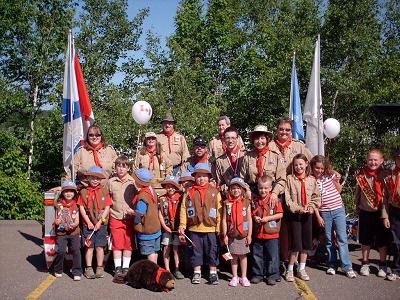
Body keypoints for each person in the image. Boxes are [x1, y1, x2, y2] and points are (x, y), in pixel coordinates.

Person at [268, 117, 313, 265]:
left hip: (294, 192)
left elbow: (312, 161)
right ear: (277, 129)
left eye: (287, 129)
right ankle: (279, 258)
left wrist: (331, 172)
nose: (284, 132)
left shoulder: (299, 146)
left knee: (293, 227)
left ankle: (290, 259)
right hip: (275, 190)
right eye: (281, 129)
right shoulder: (270, 146)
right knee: (277, 227)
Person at [310, 155, 357, 278]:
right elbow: (313, 201)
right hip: (324, 212)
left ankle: (347, 266)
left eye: (321, 168)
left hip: (338, 209)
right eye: (317, 168)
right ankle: (332, 264)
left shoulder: (330, 176)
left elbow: (339, 190)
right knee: (329, 240)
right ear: (312, 167)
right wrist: (318, 217)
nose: (319, 170)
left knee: (342, 239)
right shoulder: (311, 180)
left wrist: (336, 179)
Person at [178, 163, 223, 285]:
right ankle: (196, 272)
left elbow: (219, 210)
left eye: (204, 176)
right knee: (195, 251)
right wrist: (182, 225)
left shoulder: (215, 192)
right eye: (198, 176)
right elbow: (183, 209)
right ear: (194, 177)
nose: (201, 179)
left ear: (209, 177)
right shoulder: (189, 192)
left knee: (212, 251)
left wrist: (219, 227)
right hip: (194, 228)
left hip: (211, 228)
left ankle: (213, 272)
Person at [355, 149, 391, 278]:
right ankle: (365, 263)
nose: (373, 162)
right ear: (367, 160)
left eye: (376, 160)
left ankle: (382, 264)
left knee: (382, 240)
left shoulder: (386, 175)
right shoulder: (362, 175)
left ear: (381, 161)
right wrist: (356, 206)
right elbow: (358, 192)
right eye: (370, 159)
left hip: (382, 212)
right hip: (365, 211)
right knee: (366, 239)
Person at [284, 154, 320, 282]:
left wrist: (311, 206)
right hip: (295, 215)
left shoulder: (311, 180)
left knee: (306, 243)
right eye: (296, 165)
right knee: (296, 244)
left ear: (306, 164)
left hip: (308, 216)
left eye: (301, 164)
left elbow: (316, 196)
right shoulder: (289, 179)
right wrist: (298, 208)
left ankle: (302, 268)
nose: (298, 167)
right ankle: (290, 269)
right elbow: (287, 199)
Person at [78, 166, 112, 279]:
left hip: (101, 224)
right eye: (92, 177)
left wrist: (100, 221)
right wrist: (88, 222)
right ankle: (88, 268)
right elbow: (81, 208)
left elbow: (107, 207)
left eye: (97, 178)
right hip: (88, 224)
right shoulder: (83, 191)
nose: (95, 180)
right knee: (89, 246)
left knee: (100, 246)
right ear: (88, 178)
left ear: (100, 179)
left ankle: (99, 267)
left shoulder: (104, 190)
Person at [251, 175, 283, 285]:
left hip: (271, 234)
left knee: (272, 256)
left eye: (265, 188)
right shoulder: (255, 201)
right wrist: (255, 218)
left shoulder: (275, 200)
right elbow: (253, 213)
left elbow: (280, 214)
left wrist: (268, 218)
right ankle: (257, 274)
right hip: (259, 233)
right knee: (257, 255)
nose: (263, 190)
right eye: (260, 188)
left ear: (270, 188)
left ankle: (272, 275)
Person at [240, 125, 286, 202]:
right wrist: (247, 190)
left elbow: (282, 179)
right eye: (257, 138)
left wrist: (275, 193)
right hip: (253, 194)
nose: (259, 141)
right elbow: (242, 179)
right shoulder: (247, 157)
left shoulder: (276, 156)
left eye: (262, 138)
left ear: (267, 139)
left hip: (272, 194)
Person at [108, 156, 136, 281]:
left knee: (128, 243)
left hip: (129, 217)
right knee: (117, 243)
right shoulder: (111, 182)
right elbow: (108, 199)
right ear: (115, 167)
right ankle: (117, 267)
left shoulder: (133, 182)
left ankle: (126, 267)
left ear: (128, 168)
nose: (121, 169)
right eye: (118, 166)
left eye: (124, 166)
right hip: (115, 216)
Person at [222, 177, 252, 287]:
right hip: (231, 234)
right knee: (233, 256)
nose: (236, 190)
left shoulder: (246, 203)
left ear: (242, 189)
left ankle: (243, 277)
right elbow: (224, 220)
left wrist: (249, 235)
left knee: (243, 256)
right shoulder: (226, 203)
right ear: (230, 190)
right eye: (233, 188)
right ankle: (234, 276)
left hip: (243, 234)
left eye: (238, 188)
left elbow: (249, 220)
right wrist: (224, 235)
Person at [53, 181, 82, 281]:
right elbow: (56, 220)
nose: (68, 193)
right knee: (60, 250)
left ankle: (77, 272)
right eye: (66, 191)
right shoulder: (60, 205)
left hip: (74, 232)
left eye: (71, 191)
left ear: (74, 193)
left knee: (76, 250)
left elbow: (77, 220)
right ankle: (58, 269)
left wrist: (74, 224)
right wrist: (58, 221)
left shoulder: (76, 205)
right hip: (62, 232)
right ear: (62, 193)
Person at [132, 168, 161, 263]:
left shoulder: (142, 196)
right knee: (155, 251)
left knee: (150, 253)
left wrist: (131, 212)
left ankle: (153, 271)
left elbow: (140, 213)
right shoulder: (151, 190)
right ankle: (155, 268)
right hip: (156, 228)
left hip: (147, 231)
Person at [158, 176, 185, 279]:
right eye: (168, 186)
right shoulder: (162, 199)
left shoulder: (180, 197)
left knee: (176, 248)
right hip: (167, 228)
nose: (171, 189)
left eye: (173, 187)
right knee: (166, 247)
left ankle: (177, 269)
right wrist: (164, 226)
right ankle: (167, 270)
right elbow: (160, 213)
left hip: (177, 228)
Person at [215, 126, 246, 199]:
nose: (230, 141)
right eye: (227, 138)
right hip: (228, 197)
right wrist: (224, 188)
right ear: (224, 139)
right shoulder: (220, 160)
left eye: (233, 138)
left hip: (245, 196)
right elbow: (219, 182)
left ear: (237, 139)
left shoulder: (245, 156)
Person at [385, 148, 400, 280]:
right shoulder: (391, 174)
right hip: (395, 209)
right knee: (396, 241)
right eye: (398, 158)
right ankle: (396, 269)